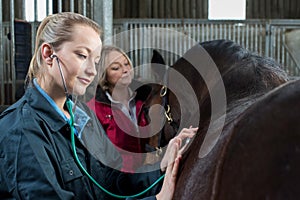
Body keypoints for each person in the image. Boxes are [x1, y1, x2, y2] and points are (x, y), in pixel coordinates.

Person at [0, 12, 197, 200]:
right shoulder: (20, 130)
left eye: (95, 61)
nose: (92, 71)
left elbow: (115, 180)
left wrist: (161, 168)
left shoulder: (83, 116)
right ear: (49, 54)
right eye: (82, 55)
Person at [87, 45, 165, 173]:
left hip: (155, 174)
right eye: (116, 68)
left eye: (126, 64)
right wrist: (141, 161)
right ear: (103, 74)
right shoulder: (93, 110)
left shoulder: (148, 99)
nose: (125, 70)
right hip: (120, 182)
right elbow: (99, 157)